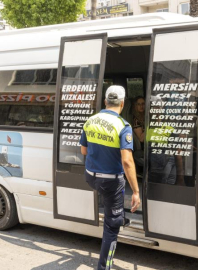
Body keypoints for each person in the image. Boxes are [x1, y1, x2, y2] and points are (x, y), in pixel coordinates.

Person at [79, 85, 141, 270]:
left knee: (110, 199)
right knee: (111, 228)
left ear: (105, 102)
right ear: (122, 104)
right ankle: (103, 267)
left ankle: (116, 214)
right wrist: (136, 192)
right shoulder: (123, 126)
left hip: (90, 176)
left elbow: (83, 150)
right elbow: (127, 162)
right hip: (110, 181)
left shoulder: (90, 121)